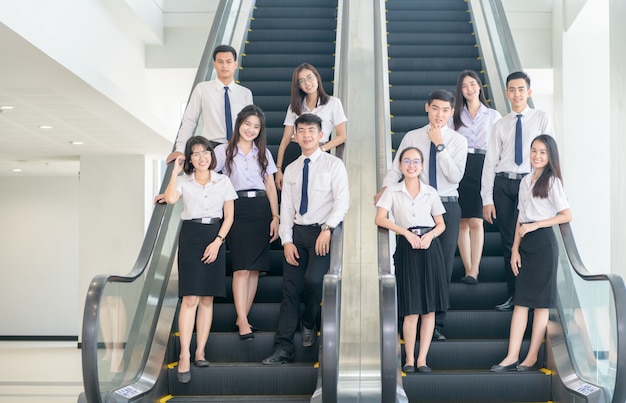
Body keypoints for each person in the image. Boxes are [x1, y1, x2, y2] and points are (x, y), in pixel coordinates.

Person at [376, 89, 467, 341]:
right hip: (416, 207)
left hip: (446, 206)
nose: (440, 114)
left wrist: (440, 145)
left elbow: (455, 176)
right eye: (436, 108)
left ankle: (437, 322)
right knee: (411, 269)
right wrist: (384, 189)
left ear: (452, 112)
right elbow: (397, 167)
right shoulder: (412, 136)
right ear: (427, 107)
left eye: (446, 110)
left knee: (442, 267)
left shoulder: (458, 141)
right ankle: (408, 317)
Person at [262, 113, 349, 365]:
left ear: (321, 135)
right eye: (302, 130)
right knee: (290, 289)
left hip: (322, 233)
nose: (307, 135)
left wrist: (328, 228)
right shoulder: (291, 169)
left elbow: (342, 201)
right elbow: (287, 208)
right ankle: (283, 348)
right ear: (295, 136)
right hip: (297, 234)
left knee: (313, 282)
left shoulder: (334, 165)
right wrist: (286, 241)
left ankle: (309, 322)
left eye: (312, 130)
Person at [158, 136, 237, 383]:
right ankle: (184, 354)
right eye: (196, 154)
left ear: (212, 155)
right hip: (191, 236)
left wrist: (218, 242)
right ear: (190, 159)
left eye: (206, 152)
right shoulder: (183, 181)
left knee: (207, 299)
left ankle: (200, 351)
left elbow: (229, 218)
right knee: (190, 298)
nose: (202, 157)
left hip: (215, 235)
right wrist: (174, 171)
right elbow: (170, 199)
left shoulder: (223, 181)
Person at [490, 134, 571, 372]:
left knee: (541, 305)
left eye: (542, 152)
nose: (536, 156)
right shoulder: (525, 181)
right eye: (534, 151)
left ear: (550, 156)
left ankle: (532, 356)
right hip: (524, 243)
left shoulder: (553, 181)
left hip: (543, 243)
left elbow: (566, 214)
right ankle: (512, 355)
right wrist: (514, 249)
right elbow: (520, 218)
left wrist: (536, 225)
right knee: (521, 303)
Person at [481, 71, 554, 311]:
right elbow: (490, 162)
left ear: (529, 92)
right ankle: (514, 296)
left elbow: (549, 153)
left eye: (521, 89)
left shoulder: (541, 118)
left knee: (528, 239)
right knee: (507, 242)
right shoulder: (500, 124)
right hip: (504, 184)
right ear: (506, 93)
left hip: (531, 183)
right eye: (512, 90)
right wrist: (487, 199)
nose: (516, 94)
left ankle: (530, 297)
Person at [375, 147, 448, 373]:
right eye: (407, 161)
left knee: (429, 309)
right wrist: (405, 233)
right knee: (411, 308)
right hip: (407, 247)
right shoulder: (392, 191)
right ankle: (408, 358)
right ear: (400, 165)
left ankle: (422, 359)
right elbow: (380, 219)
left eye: (416, 161)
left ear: (422, 165)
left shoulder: (430, 192)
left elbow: (441, 224)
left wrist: (430, 236)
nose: (411, 165)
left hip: (429, 247)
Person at [213, 105, 280, 340]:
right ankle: (241, 319)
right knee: (241, 269)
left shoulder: (263, 153)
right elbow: (208, 175)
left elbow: (270, 186)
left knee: (254, 270)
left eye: (256, 126)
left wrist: (276, 216)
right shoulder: (223, 151)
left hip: (261, 209)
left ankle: (245, 317)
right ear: (239, 123)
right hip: (237, 208)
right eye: (247, 124)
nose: (251, 129)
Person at [449, 70, 501, 284]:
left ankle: (475, 269)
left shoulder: (493, 115)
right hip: (461, 165)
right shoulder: (455, 115)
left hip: (483, 165)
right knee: (462, 221)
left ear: (480, 86)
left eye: (473, 84)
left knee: (477, 221)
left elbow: (498, 146)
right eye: (465, 86)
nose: (469, 89)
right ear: (460, 91)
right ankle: (468, 268)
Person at [167, 44, 253, 163]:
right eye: (220, 61)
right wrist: (180, 149)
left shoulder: (245, 93)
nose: (224, 65)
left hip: (238, 148)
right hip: (211, 148)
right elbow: (189, 120)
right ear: (214, 64)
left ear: (235, 64)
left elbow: (250, 125)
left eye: (228, 62)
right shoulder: (202, 89)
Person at [274, 63, 347, 190]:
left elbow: (342, 136)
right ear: (298, 86)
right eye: (302, 81)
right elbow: (285, 139)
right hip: (295, 152)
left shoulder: (333, 103)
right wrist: (279, 169)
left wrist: (321, 150)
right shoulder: (294, 107)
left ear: (317, 77)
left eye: (309, 77)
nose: (307, 83)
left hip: (319, 153)